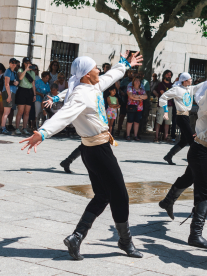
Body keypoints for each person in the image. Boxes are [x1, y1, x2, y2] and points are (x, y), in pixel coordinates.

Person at [21, 51, 144, 260]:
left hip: (91, 150)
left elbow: (111, 76)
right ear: (87, 74)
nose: (99, 70)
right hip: (98, 151)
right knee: (120, 195)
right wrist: (43, 132)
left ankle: (77, 237)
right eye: (95, 68)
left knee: (103, 195)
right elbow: (64, 115)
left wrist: (125, 64)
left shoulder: (93, 85)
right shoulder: (79, 94)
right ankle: (125, 240)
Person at [159, 62, 207, 251]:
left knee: (189, 177)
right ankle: (195, 234)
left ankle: (167, 201)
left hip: (206, 150)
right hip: (200, 151)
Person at [160, 73, 205, 165]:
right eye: (190, 79)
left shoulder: (190, 88)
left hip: (186, 116)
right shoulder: (177, 89)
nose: (191, 80)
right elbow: (163, 97)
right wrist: (165, 111)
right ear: (184, 81)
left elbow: (199, 85)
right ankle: (194, 159)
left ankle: (169, 156)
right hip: (181, 117)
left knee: (184, 140)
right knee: (192, 139)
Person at [15, 57, 36, 135]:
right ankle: (17, 128)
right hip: (22, 91)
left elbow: (33, 84)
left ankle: (24, 128)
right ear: (23, 63)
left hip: (29, 92)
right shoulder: (20, 70)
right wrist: (26, 70)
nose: (28, 64)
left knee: (27, 112)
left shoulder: (33, 73)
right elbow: (20, 78)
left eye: (29, 63)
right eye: (26, 63)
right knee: (20, 111)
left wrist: (34, 94)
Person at [153, 70, 173, 142]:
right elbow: (163, 93)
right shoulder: (161, 84)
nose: (169, 76)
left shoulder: (172, 85)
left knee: (168, 122)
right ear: (164, 75)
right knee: (159, 121)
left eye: (170, 75)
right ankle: (156, 136)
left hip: (170, 105)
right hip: (162, 105)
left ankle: (166, 137)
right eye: (167, 74)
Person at [126, 77, 147, 141]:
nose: (137, 82)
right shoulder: (130, 88)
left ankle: (135, 135)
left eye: (138, 80)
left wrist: (136, 97)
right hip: (131, 106)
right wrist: (141, 97)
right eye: (136, 80)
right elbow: (131, 96)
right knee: (130, 121)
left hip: (139, 108)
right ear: (133, 82)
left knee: (137, 122)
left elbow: (146, 96)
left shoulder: (141, 89)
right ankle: (128, 135)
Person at [1, 58, 19, 135]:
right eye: (12, 62)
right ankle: (3, 128)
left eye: (15, 62)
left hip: (12, 92)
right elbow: (6, 84)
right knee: (6, 112)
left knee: (7, 112)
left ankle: (3, 127)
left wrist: (16, 83)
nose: (14, 64)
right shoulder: (8, 71)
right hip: (8, 92)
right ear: (9, 63)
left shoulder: (14, 72)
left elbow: (17, 82)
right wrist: (9, 96)